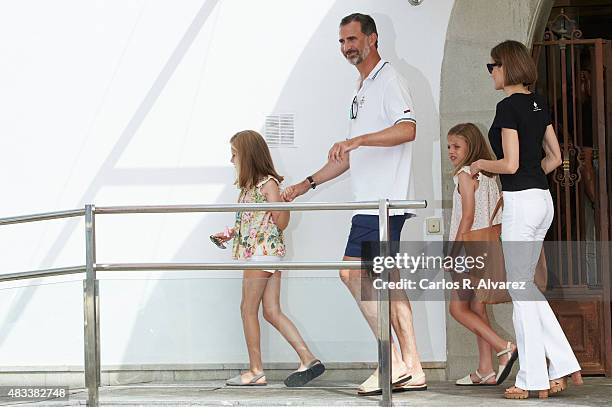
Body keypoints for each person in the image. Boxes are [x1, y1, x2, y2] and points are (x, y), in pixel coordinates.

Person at [281, 13, 425, 395]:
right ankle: (413, 366)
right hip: (373, 204)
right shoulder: (361, 90)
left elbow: (408, 129)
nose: (347, 47)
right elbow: (346, 158)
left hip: (381, 204)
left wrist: (359, 141)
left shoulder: (389, 80)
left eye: (353, 39)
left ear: (373, 39)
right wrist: (306, 183)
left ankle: (390, 361)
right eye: (342, 41)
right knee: (388, 283)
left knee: (351, 274)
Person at [470, 40, 583, 399]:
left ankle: (537, 376)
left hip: (522, 203)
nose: (491, 73)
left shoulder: (507, 107)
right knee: (525, 289)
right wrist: (530, 180)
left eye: (492, 66)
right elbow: (555, 155)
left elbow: (510, 164)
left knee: (521, 290)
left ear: (505, 67)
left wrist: (479, 164)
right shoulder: (538, 104)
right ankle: (556, 368)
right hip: (542, 200)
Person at [213, 130, 325, 387]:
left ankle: (255, 371)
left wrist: (282, 204)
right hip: (265, 254)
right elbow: (253, 222)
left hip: (262, 256)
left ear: (248, 156)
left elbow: (281, 222)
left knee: (247, 309)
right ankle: (308, 358)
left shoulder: (268, 184)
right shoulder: (250, 187)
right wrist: (230, 234)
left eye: (234, 155)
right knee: (271, 311)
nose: (231, 161)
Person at [446, 123, 518, 386]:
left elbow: (466, 217)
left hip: (467, 250)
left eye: (456, 146)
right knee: (477, 308)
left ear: (471, 147)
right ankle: (485, 369)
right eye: (448, 147)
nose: (451, 151)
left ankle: (504, 347)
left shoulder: (465, 175)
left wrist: (452, 252)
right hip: (486, 248)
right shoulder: (489, 177)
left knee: (457, 309)